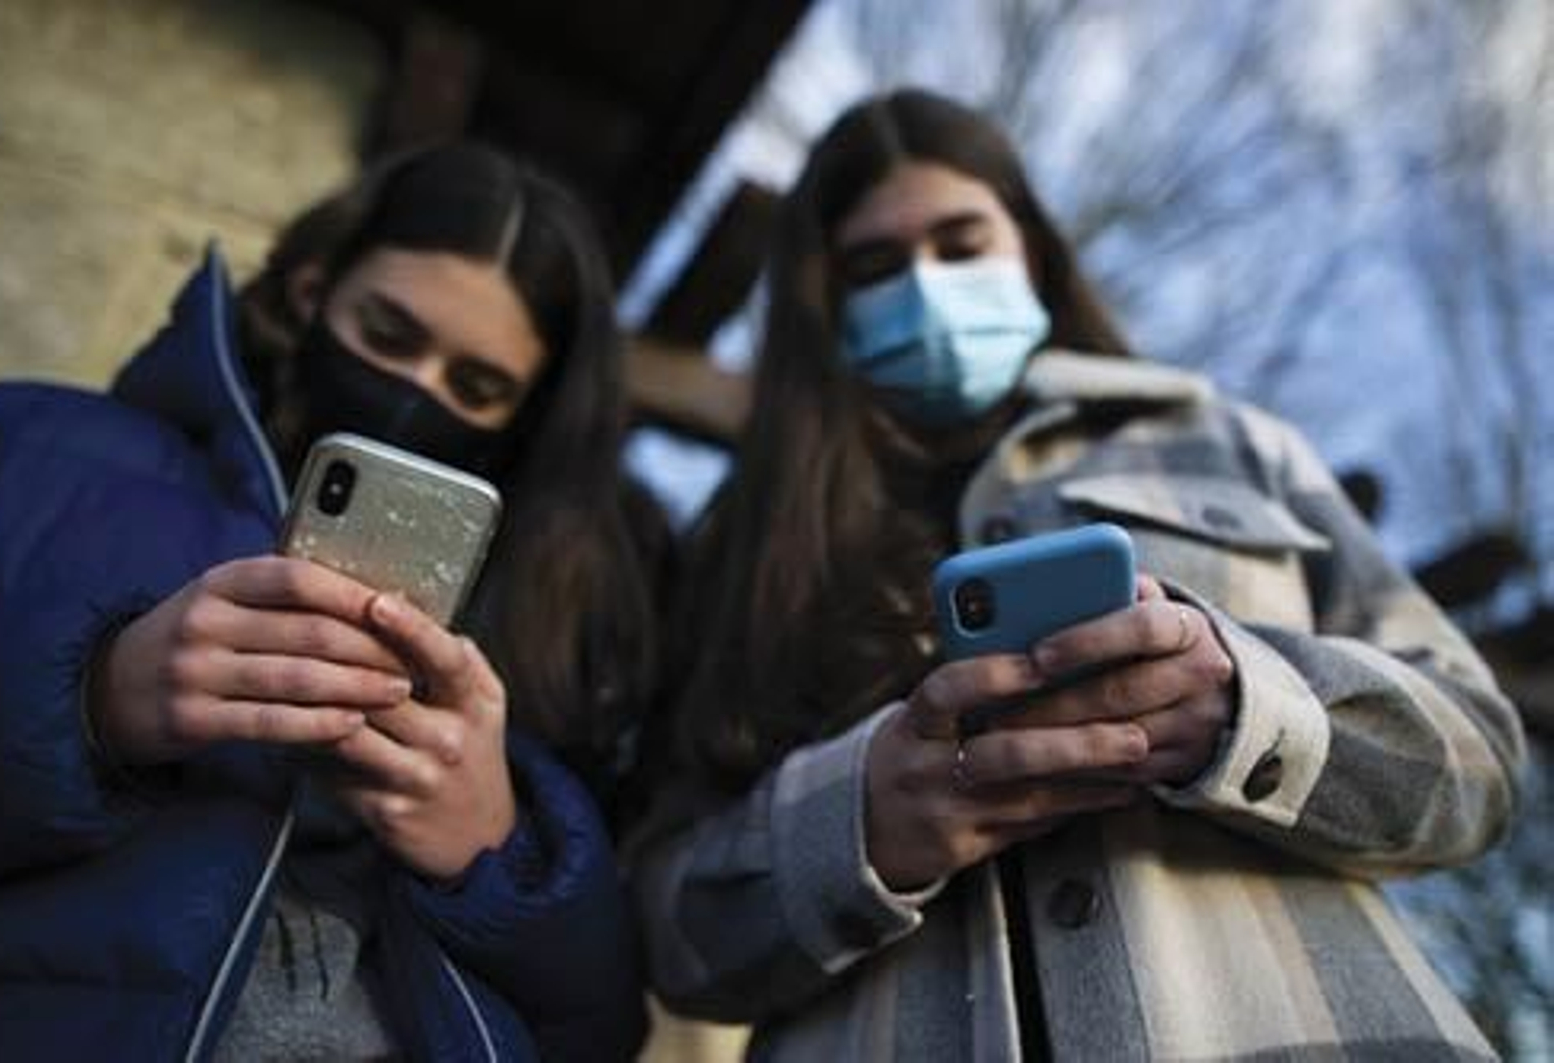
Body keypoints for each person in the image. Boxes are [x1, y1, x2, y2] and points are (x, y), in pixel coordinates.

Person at [628, 89, 1525, 1061]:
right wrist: (855, 828)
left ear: (1035, 257)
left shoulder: (1229, 441)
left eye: (961, 244)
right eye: (875, 268)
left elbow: (1477, 762)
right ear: (824, 306)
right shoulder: (738, 544)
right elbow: (663, 927)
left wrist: (1242, 705)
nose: (926, 287)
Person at [0, 142, 658, 1061]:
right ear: (310, 292)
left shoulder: (546, 642)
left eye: (476, 389)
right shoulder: (18, 448)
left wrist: (500, 859)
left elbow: (601, 1035)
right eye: (389, 335)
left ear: (524, 419)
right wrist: (93, 705)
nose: (419, 393)